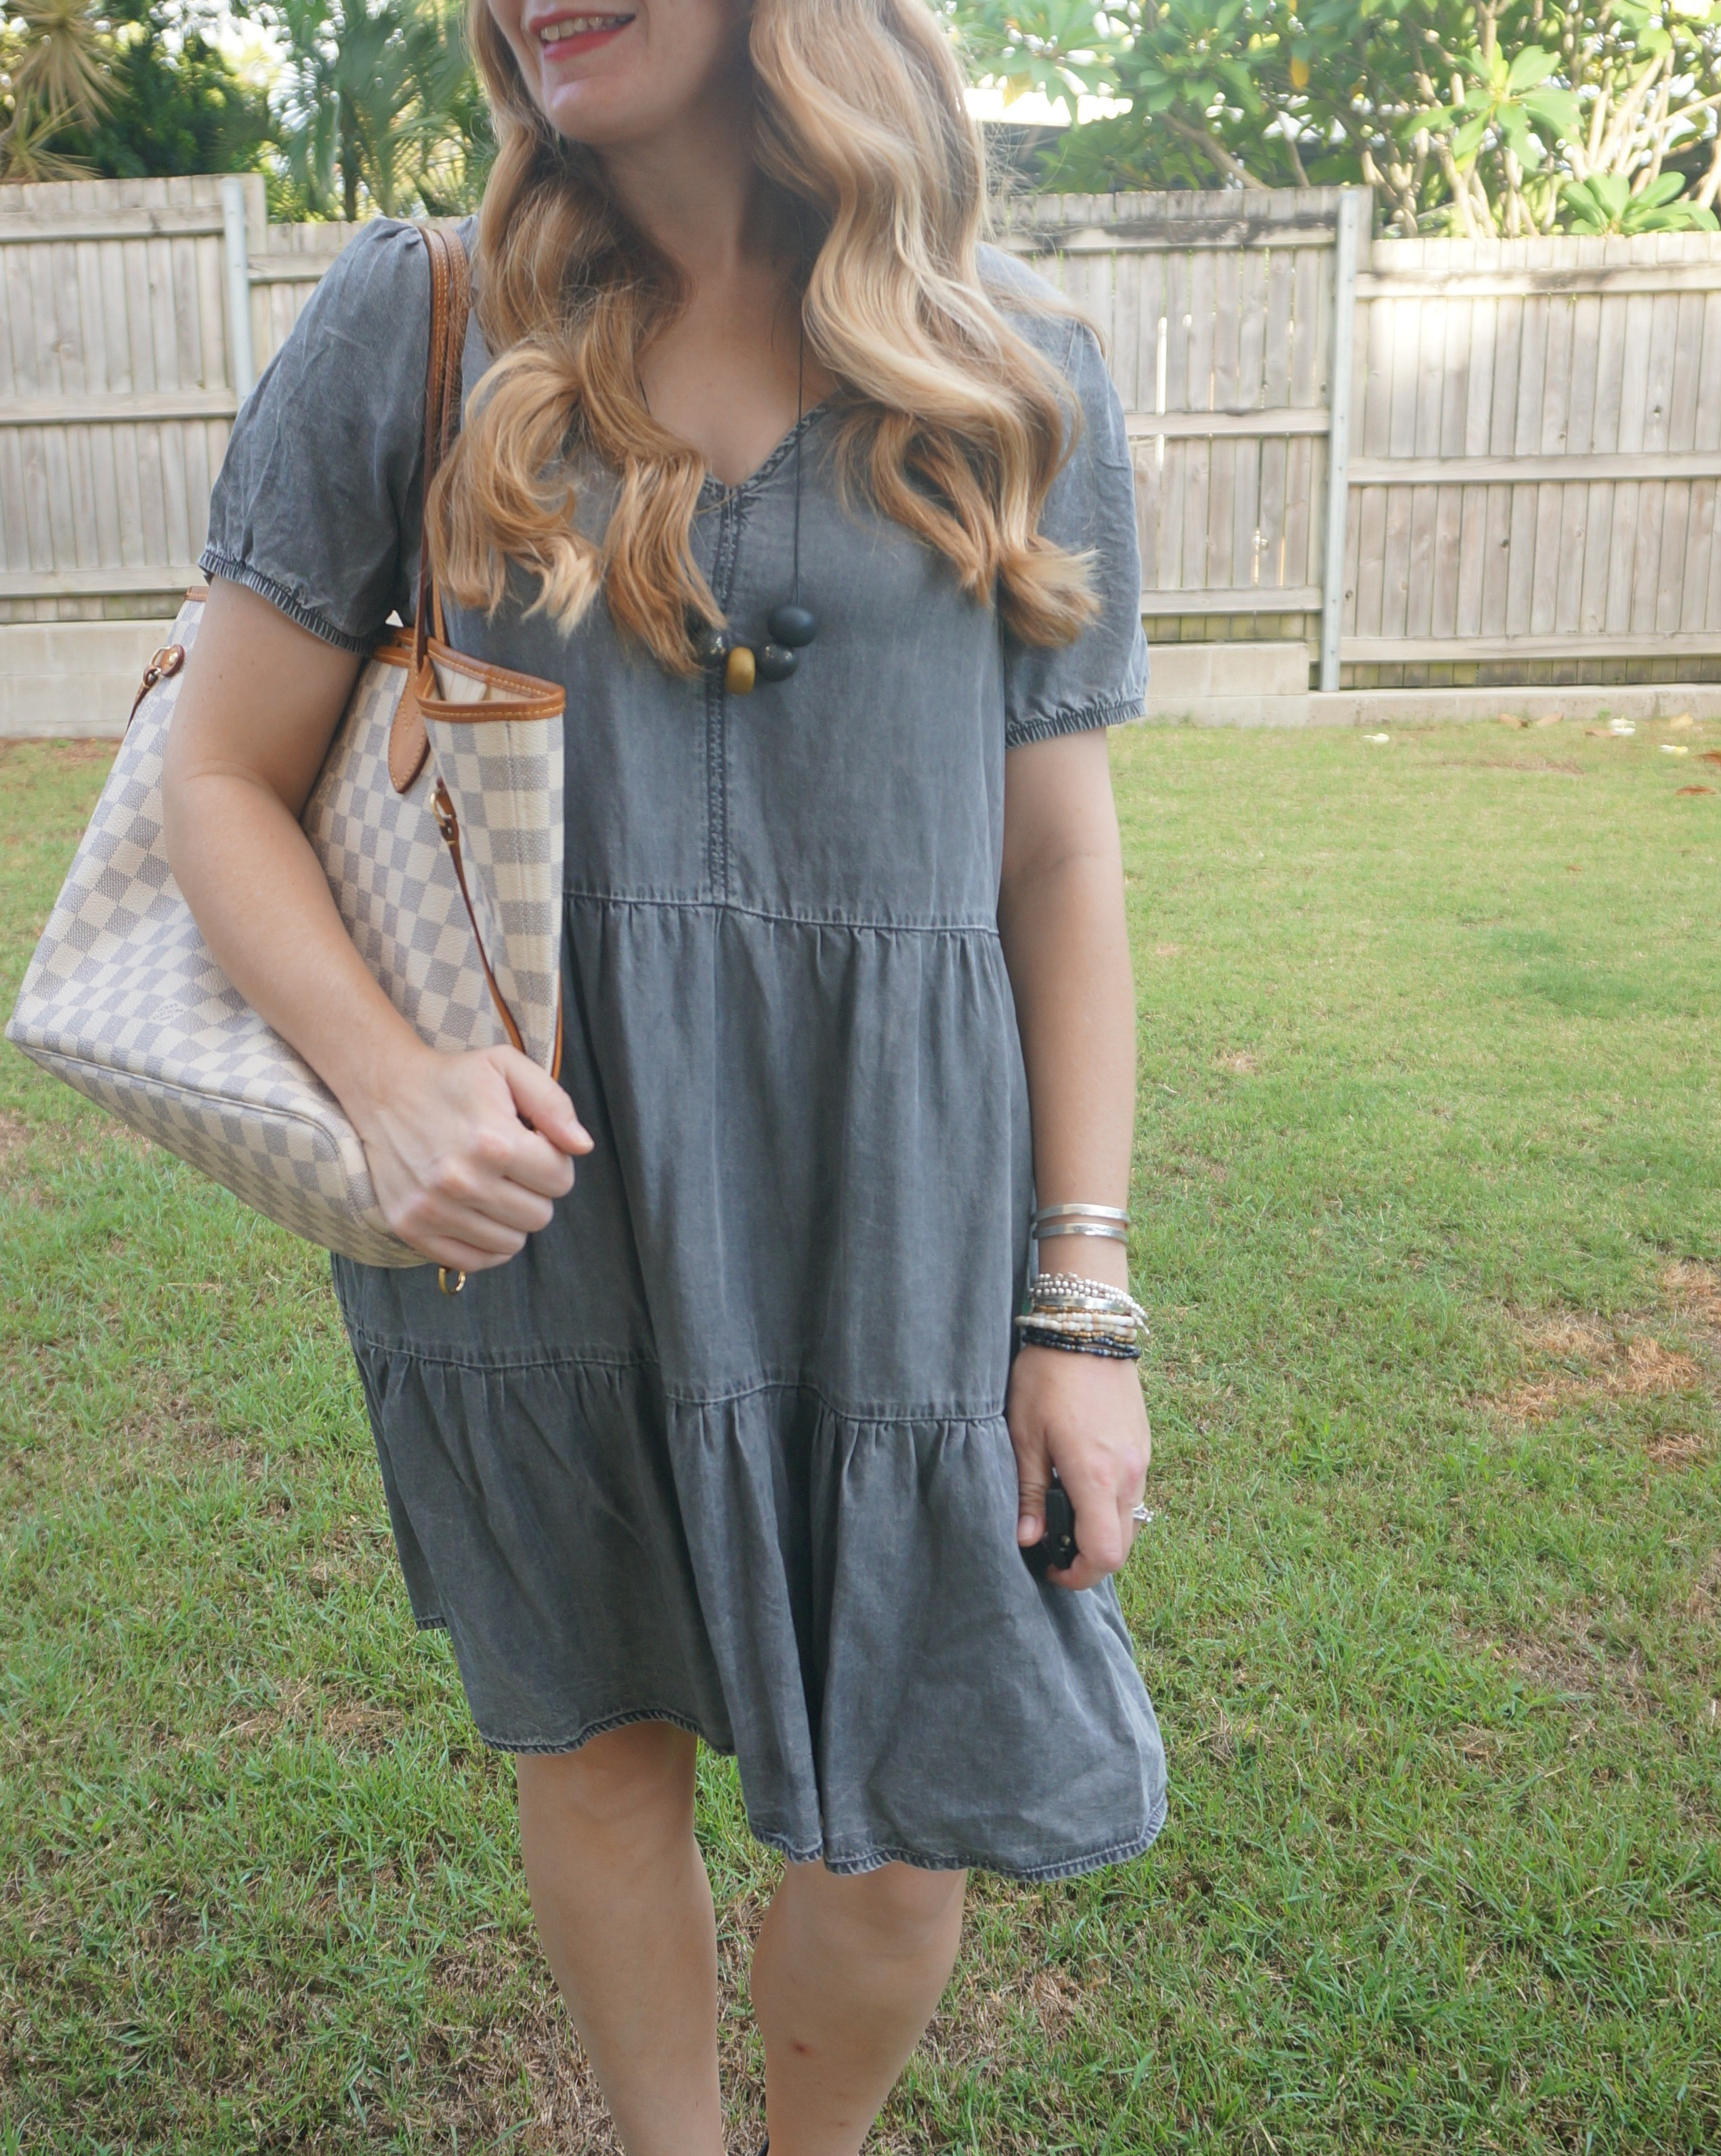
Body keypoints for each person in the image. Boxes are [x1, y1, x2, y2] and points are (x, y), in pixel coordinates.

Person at [162, 2, 1165, 2149]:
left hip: (896, 1210)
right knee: (600, 1749)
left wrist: (1078, 1299)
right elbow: (218, 776)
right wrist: (385, 1081)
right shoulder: (423, 325)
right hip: (542, 1194)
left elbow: (1060, 864)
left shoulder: (1017, 375)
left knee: (896, 1851)